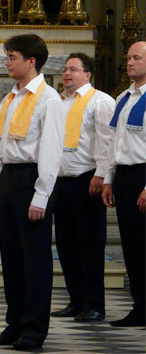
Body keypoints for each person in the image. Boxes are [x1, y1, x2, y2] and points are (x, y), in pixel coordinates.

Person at [0, 34, 64, 351]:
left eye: (12, 56)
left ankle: (34, 328)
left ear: (31, 61)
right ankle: (14, 324)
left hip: (32, 179)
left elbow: (52, 152)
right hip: (10, 179)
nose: (6, 62)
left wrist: (41, 196)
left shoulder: (48, 99)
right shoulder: (9, 99)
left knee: (35, 260)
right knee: (12, 259)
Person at [51, 53, 114, 323]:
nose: (67, 74)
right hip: (61, 181)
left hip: (88, 180)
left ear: (87, 75)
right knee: (66, 244)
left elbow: (107, 141)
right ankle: (76, 300)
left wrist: (102, 174)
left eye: (73, 70)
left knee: (89, 244)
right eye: (65, 69)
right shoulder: (59, 102)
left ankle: (94, 304)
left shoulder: (100, 101)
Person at [102, 41, 146, 328]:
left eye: (137, 57)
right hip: (125, 177)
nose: (129, 62)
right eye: (128, 57)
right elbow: (112, 143)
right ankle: (140, 306)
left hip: (143, 176)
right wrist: (108, 179)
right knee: (132, 246)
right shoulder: (122, 98)